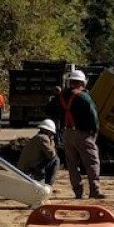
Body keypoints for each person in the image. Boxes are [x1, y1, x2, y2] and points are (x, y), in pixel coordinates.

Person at [46, 70, 104, 199]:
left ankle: (78, 192)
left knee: (72, 164)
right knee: (92, 162)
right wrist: (94, 132)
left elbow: (48, 110)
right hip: (83, 134)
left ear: (70, 81)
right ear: (82, 82)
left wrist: (56, 96)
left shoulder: (61, 97)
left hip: (67, 134)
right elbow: (93, 116)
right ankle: (95, 190)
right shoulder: (84, 97)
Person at [17, 119, 59, 185]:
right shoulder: (43, 138)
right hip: (28, 170)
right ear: (48, 131)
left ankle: (41, 177)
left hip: (26, 168)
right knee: (56, 160)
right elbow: (52, 154)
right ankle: (48, 184)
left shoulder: (37, 138)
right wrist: (52, 141)